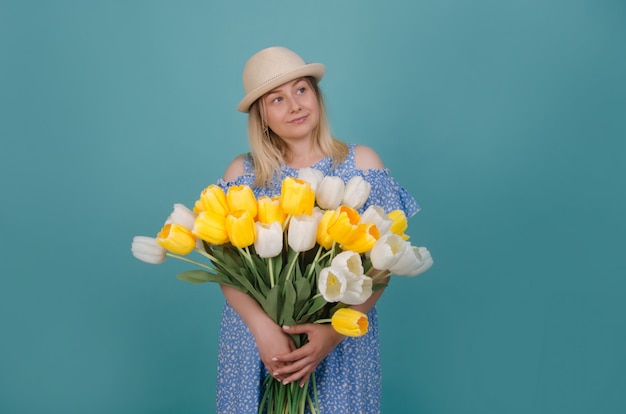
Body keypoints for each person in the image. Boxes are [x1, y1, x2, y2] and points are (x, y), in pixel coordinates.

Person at [216, 46, 419, 413]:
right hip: (258, 342)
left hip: (339, 338)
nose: (294, 105)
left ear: (317, 96)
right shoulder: (242, 176)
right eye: (277, 98)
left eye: (301, 90)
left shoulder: (361, 165)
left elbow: (382, 266)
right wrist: (263, 330)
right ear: (261, 116)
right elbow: (227, 269)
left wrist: (334, 333)